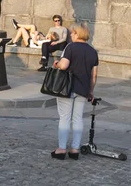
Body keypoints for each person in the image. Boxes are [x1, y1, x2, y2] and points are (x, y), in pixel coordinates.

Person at [51, 23, 99, 160]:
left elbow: (64, 65)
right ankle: (75, 149)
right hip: (83, 90)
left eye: (72, 33)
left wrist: (57, 64)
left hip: (68, 88)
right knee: (77, 119)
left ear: (77, 34)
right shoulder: (93, 51)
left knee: (65, 117)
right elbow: (94, 75)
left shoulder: (70, 47)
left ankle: (61, 149)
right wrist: (91, 91)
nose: (71, 35)